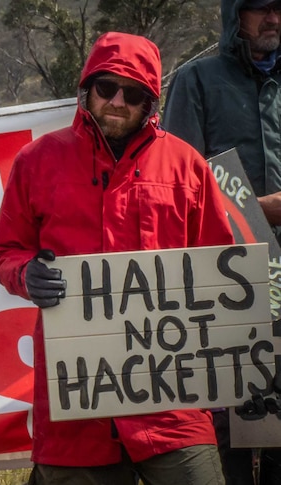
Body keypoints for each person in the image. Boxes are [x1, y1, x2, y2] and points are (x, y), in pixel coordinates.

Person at [0, 32, 233, 484]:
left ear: (151, 102)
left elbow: (220, 264)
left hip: (173, 402)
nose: (118, 101)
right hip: (74, 409)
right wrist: (27, 274)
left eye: (133, 92)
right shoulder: (37, 160)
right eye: (106, 88)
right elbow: (3, 251)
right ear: (87, 89)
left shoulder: (186, 165)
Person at [163, 2, 281, 483]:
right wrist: (262, 212)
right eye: (259, 8)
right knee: (231, 419)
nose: (272, 18)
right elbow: (175, 185)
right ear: (236, 15)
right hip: (228, 279)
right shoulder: (196, 81)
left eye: (279, 7)